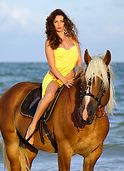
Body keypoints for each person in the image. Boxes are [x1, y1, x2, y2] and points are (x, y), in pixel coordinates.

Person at [25, 9, 82, 144]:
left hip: (73, 79)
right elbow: (52, 67)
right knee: (50, 95)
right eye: (56, 22)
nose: (59, 24)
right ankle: (32, 126)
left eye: (61, 21)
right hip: (55, 79)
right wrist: (64, 80)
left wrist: (77, 77)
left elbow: (79, 62)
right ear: (52, 24)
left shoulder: (74, 39)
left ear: (65, 23)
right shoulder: (50, 41)